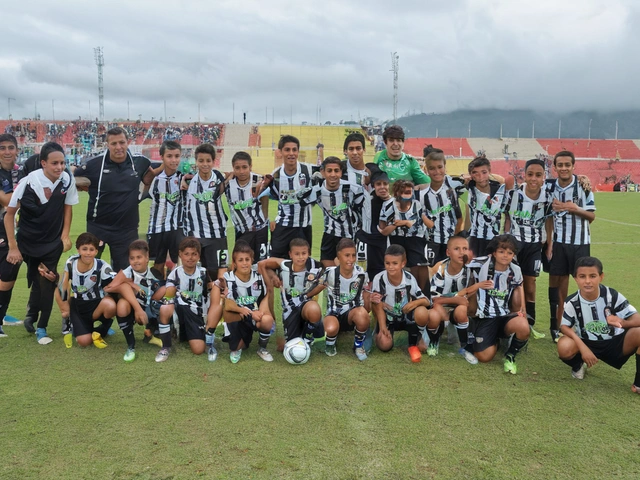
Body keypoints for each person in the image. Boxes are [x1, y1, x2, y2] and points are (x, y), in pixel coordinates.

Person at [4, 142, 78, 344]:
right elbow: (9, 215)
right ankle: (31, 315)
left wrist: (65, 235)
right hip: (28, 242)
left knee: (48, 278)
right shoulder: (27, 182)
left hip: (52, 243)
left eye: (62, 163)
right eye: (54, 163)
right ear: (43, 163)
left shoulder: (66, 180)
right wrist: (13, 246)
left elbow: (68, 208)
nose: (59, 167)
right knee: (37, 278)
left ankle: (42, 328)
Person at [74, 127, 161, 271]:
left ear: (128, 142)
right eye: (114, 144)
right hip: (98, 227)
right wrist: (83, 185)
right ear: (107, 145)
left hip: (126, 230)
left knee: (124, 273)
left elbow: (160, 168)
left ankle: (116, 294)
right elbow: (75, 176)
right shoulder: (93, 164)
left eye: (122, 142)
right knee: (89, 269)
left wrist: (183, 178)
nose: (118, 147)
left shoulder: (140, 162)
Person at [557, 257, 640, 393]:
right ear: (575, 279)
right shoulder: (572, 302)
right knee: (563, 346)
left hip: (614, 343)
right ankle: (578, 365)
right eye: (582, 276)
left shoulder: (612, 296)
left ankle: (638, 384)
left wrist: (623, 322)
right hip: (587, 342)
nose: (588, 281)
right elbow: (564, 327)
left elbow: (637, 318)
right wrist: (582, 347)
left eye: (593, 276)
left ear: (601, 277)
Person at [546, 151, 596, 342]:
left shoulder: (583, 187)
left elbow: (591, 216)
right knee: (559, 287)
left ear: (573, 166)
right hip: (559, 244)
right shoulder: (550, 187)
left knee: (584, 284)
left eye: (568, 164)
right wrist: (549, 243)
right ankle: (558, 325)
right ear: (555, 167)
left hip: (580, 244)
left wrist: (573, 208)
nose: (564, 168)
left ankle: (583, 325)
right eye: (560, 165)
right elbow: (549, 218)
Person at [503, 159, 554, 340]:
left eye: (538, 175)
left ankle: (530, 322)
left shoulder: (547, 197)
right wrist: (505, 238)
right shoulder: (514, 195)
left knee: (530, 283)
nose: (533, 179)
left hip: (534, 245)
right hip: (515, 245)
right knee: (515, 283)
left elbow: (549, 220)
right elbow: (508, 217)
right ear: (524, 175)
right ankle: (513, 318)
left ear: (544, 177)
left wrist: (549, 244)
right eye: (530, 174)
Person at [466, 234, 529, 374]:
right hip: (486, 316)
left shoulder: (515, 270)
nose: (505, 256)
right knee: (483, 357)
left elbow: (520, 286)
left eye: (509, 253)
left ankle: (511, 355)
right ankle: (496, 340)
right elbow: (460, 264)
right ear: (494, 252)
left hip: (504, 315)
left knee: (523, 326)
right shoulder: (479, 264)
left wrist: (522, 309)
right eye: (501, 251)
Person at [155, 237, 220, 363]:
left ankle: (203, 336)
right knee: (165, 307)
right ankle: (165, 347)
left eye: (194, 254)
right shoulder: (175, 273)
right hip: (179, 309)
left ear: (199, 256)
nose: (190, 257)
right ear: (180, 255)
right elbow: (169, 292)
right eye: (186, 254)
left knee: (198, 350)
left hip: (196, 312)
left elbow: (209, 288)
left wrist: (219, 285)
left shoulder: (203, 273)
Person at [106, 240, 166, 362]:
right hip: (134, 309)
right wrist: (129, 284)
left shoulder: (155, 273)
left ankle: (151, 333)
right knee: (122, 304)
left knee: (163, 293)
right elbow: (107, 288)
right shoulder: (126, 272)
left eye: (139, 257)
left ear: (147, 257)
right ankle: (131, 345)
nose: (135, 261)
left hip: (149, 307)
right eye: (132, 258)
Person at [257, 238, 325, 345]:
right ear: (290, 254)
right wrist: (273, 277)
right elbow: (261, 265)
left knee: (313, 308)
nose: (301, 257)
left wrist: (307, 295)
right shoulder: (284, 266)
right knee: (284, 347)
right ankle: (297, 334)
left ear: (309, 253)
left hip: (306, 305)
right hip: (289, 310)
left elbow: (323, 284)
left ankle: (307, 339)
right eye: (297, 254)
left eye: (304, 253)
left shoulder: (316, 266)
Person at [371, 245, 430, 363]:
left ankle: (420, 335)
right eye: (387, 263)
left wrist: (413, 303)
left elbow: (426, 301)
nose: (390, 267)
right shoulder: (379, 278)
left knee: (422, 311)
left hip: (406, 317)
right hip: (388, 318)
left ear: (403, 263)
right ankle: (380, 332)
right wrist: (383, 327)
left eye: (395, 263)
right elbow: (376, 304)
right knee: (384, 345)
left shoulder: (409, 279)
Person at [59, 233, 118, 348]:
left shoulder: (102, 266)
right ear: (78, 250)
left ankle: (103, 328)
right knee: (84, 342)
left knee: (111, 306)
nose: (88, 253)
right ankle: (71, 320)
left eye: (91, 249)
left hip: (96, 303)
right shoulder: (71, 262)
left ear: (96, 251)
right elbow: (63, 285)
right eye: (84, 249)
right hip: (78, 305)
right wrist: (64, 307)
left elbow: (114, 284)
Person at [265, 135, 320, 259]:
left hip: (304, 227)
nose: (291, 153)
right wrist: (269, 220)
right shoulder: (276, 175)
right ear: (280, 152)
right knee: (275, 262)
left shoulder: (309, 171)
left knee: (302, 264)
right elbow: (265, 196)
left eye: (294, 150)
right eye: (287, 150)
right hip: (283, 227)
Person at [429, 235, 480, 364]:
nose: (462, 252)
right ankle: (434, 341)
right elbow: (435, 299)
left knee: (462, 308)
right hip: (439, 308)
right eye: (457, 249)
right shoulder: (440, 268)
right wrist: (457, 298)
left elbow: (467, 300)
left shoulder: (470, 270)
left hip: (456, 309)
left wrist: (457, 300)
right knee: (434, 313)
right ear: (448, 252)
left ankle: (464, 345)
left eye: (465, 248)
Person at [182, 143, 228, 281]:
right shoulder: (189, 181)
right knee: (199, 273)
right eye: (201, 161)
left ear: (214, 162)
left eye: (208, 161)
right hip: (196, 235)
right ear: (196, 162)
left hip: (217, 234)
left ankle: (218, 301)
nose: (205, 164)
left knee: (218, 272)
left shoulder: (220, 178)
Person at [222, 241, 274, 363]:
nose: (244, 263)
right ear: (234, 263)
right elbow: (228, 304)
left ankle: (262, 348)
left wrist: (262, 312)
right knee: (239, 347)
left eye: (247, 259)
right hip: (237, 316)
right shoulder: (228, 278)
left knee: (267, 320)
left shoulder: (259, 277)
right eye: (240, 260)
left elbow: (265, 295)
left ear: (252, 260)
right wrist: (251, 313)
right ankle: (238, 343)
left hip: (253, 316)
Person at [321, 239, 371, 360]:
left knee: (363, 314)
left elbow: (366, 293)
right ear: (338, 256)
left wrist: (370, 299)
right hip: (333, 314)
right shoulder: (330, 273)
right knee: (331, 328)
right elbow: (317, 289)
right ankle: (330, 344)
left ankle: (358, 345)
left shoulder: (361, 274)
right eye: (347, 255)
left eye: (353, 255)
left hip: (351, 314)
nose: (351, 259)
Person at [379, 179, 430, 291]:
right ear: (397, 192)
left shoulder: (417, 204)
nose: (407, 195)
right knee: (397, 263)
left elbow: (417, 224)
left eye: (409, 192)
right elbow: (383, 228)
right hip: (396, 237)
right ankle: (400, 291)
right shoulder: (388, 205)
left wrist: (403, 222)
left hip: (416, 237)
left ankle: (420, 293)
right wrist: (395, 225)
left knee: (417, 264)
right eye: (404, 192)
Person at [315, 156, 365, 267]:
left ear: (341, 172)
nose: (333, 174)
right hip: (329, 235)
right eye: (329, 171)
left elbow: (363, 209)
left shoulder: (353, 189)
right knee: (328, 272)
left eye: (336, 171)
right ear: (323, 172)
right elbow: (298, 200)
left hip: (348, 236)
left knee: (346, 269)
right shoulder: (317, 190)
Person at [420, 151, 464, 266]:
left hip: (451, 242)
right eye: (432, 168)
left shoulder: (454, 187)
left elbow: (460, 217)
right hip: (432, 243)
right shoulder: (423, 195)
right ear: (426, 170)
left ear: (445, 168)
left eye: (440, 167)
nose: (437, 172)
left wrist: (455, 236)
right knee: (433, 273)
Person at [224, 151, 270, 263]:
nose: (241, 171)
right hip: (241, 231)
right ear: (233, 168)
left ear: (250, 166)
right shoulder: (228, 184)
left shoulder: (259, 181)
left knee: (261, 263)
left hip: (260, 230)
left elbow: (265, 202)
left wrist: (264, 222)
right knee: (241, 262)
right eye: (237, 168)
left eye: (244, 167)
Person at [147, 140, 183, 277]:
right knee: (157, 264)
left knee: (177, 263)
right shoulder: (153, 179)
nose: (174, 160)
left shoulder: (183, 178)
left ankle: (174, 292)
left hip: (176, 228)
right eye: (169, 156)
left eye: (177, 156)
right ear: (161, 156)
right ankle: (158, 292)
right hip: (157, 227)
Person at [465, 157, 508, 257]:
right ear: (471, 175)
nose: (480, 177)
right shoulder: (469, 187)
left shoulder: (500, 190)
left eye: (484, 172)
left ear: (489, 171)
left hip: (495, 239)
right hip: (474, 239)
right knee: (473, 270)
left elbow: (507, 215)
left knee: (491, 270)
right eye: (476, 173)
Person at [0, 134, 20, 337]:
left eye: (11, 147)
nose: (7, 152)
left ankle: (3, 315)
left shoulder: (18, 173)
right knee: (6, 277)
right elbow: (7, 200)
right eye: (2, 148)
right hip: (2, 232)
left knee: (8, 275)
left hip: (11, 231)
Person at [356, 168, 391, 280]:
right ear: (373, 186)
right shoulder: (366, 199)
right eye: (378, 184)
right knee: (364, 274)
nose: (382, 187)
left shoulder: (394, 202)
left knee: (383, 274)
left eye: (385, 184)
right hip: (366, 242)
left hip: (384, 244)